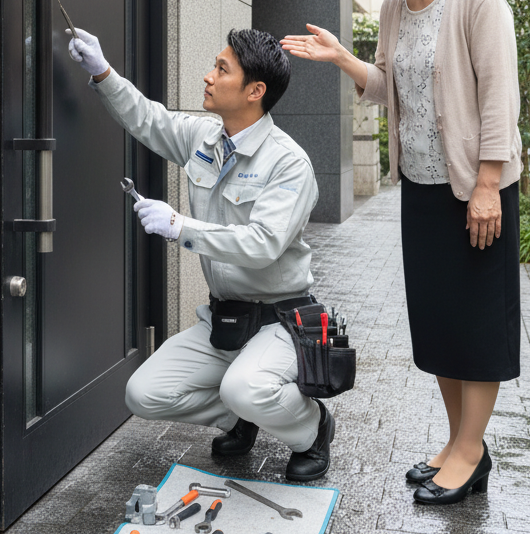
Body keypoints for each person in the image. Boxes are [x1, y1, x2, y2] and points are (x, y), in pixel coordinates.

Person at [281, 0, 521, 506]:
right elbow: (388, 84)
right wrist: (341, 58)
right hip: (420, 188)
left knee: (477, 323)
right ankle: (457, 441)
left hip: (475, 190)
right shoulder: (393, 4)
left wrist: (488, 185)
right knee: (440, 320)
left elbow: (500, 97)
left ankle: (471, 453)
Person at [66, 26, 335, 480]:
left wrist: (180, 226)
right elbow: (148, 119)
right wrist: (102, 72)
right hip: (225, 320)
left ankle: (312, 429)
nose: (208, 76)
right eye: (215, 65)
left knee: (246, 386)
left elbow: (263, 243)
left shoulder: (288, 163)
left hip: (280, 322)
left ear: (255, 91)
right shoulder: (205, 137)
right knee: (144, 394)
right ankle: (240, 417)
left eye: (221, 69)